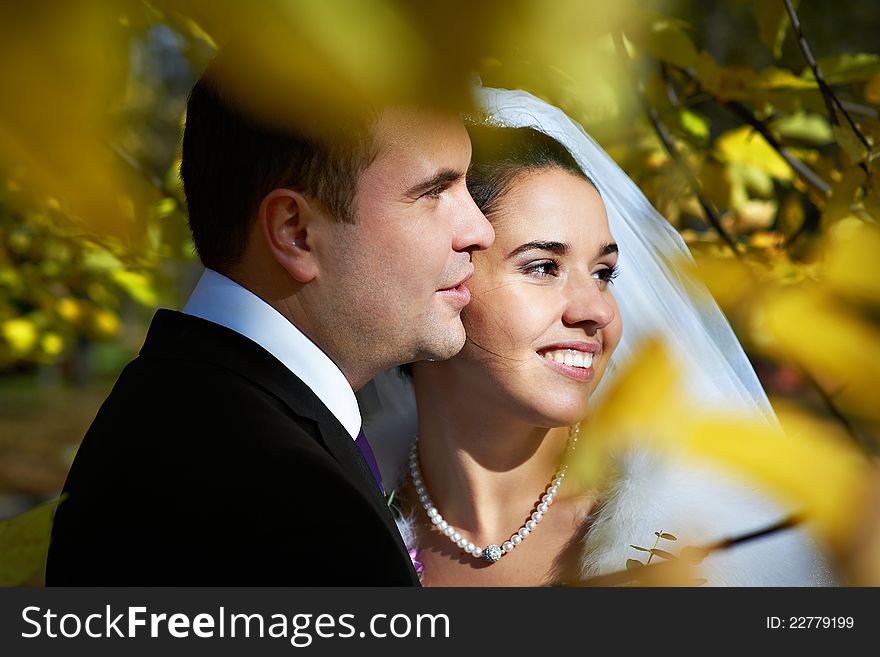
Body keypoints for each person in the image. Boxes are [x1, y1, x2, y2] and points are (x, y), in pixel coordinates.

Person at [45, 50, 494, 585]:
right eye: (434, 192)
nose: (479, 231)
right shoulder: (279, 495)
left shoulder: (190, 409)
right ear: (295, 232)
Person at [373, 87, 833, 586]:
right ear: (443, 279)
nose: (597, 310)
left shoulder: (714, 541)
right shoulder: (330, 515)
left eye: (603, 273)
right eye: (543, 266)